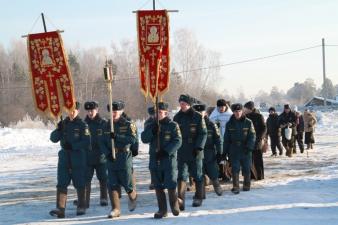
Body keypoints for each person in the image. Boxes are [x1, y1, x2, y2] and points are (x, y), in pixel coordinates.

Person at [49, 102, 90, 218]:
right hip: (64, 158)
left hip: (78, 157)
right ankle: (60, 209)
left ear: (78, 111)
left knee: (80, 182)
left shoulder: (83, 125)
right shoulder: (63, 123)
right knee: (62, 182)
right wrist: (58, 129)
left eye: (74, 110)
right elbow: (53, 139)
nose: (71, 113)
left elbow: (87, 142)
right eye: (69, 110)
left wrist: (73, 146)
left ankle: (81, 205)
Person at [141, 102, 182, 219]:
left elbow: (178, 141)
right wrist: (152, 131)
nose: (157, 115)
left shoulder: (173, 125)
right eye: (156, 112)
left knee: (170, 184)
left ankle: (175, 205)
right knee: (158, 186)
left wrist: (166, 151)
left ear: (166, 112)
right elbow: (144, 138)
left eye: (160, 112)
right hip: (154, 160)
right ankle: (162, 210)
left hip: (168, 160)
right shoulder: (150, 125)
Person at [101, 101, 138, 218]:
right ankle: (115, 209)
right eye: (111, 112)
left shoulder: (128, 124)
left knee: (127, 183)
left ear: (121, 111)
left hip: (124, 156)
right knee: (112, 184)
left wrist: (117, 137)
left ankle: (132, 195)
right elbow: (101, 141)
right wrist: (107, 153)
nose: (113, 114)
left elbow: (132, 139)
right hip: (111, 158)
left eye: (115, 112)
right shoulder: (106, 125)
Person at [173, 94, 207, 209]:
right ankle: (180, 200)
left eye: (184, 104)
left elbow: (203, 133)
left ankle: (198, 197)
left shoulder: (197, 117)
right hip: (182, 151)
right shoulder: (177, 117)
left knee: (197, 175)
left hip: (195, 150)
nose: (181, 106)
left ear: (189, 105)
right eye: (180, 103)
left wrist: (199, 148)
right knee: (181, 176)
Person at [223, 103, 256, 194]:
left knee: (246, 168)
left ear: (242, 111)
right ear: (233, 112)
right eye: (235, 111)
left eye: (239, 111)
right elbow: (226, 139)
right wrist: (224, 152)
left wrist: (249, 147)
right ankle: (236, 187)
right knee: (235, 168)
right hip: (234, 149)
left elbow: (252, 136)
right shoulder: (229, 123)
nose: (237, 113)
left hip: (245, 149)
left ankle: (246, 185)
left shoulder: (248, 122)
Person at [193, 103, 223, 196]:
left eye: (201, 112)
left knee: (213, 172)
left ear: (205, 113)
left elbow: (219, 140)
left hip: (210, 152)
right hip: (197, 153)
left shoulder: (211, 125)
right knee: (199, 174)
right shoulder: (192, 125)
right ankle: (201, 193)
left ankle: (217, 186)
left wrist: (220, 153)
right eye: (197, 112)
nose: (199, 114)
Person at [83, 101, 108, 207]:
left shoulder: (103, 123)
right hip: (88, 156)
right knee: (86, 179)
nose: (90, 112)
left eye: (92, 110)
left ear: (97, 110)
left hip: (100, 156)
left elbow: (107, 139)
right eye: (88, 111)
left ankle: (104, 198)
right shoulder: (83, 124)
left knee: (103, 178)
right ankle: (84, 200)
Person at [244, 101, 266, 180]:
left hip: (257, 141)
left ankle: (260, 176)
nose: (244, 109)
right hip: (248, 141)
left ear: (250, 108)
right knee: (250, 159)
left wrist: (260, 137)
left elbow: (264, 128)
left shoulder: (259, 116)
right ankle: (252, 175)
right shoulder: (245, 117)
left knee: (258, 159)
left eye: (245, 108)